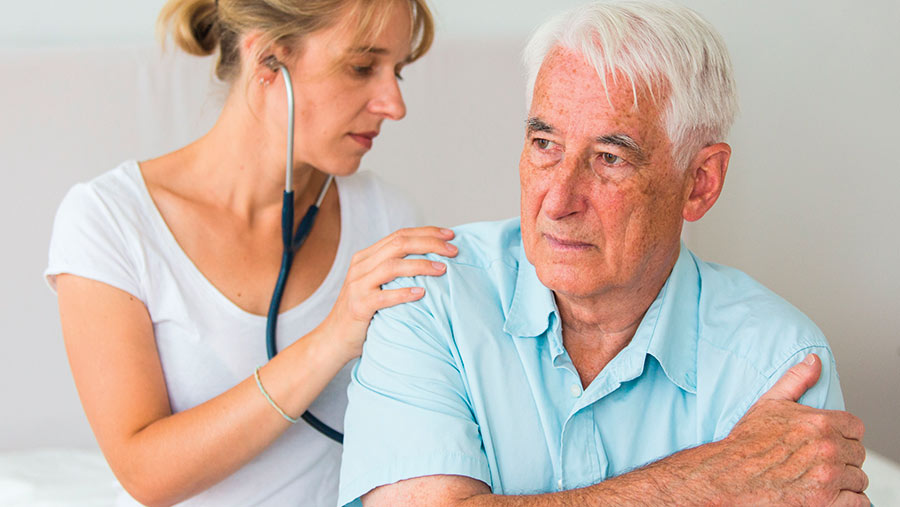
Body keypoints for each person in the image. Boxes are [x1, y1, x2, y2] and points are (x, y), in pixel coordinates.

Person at [338, 1, 869, 505]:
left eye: (610, 158)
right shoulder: (430, 297)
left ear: (700, 183)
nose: (559, 201)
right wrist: (708, 484)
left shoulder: (777, 363)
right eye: (545, 145)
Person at [44, 0, 455, 505]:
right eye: (362, 67)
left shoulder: (387, 217)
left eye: (398, 72)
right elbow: (144, 473)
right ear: (268, 62)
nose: (394, 104)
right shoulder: (110, 221)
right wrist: (328, 341)